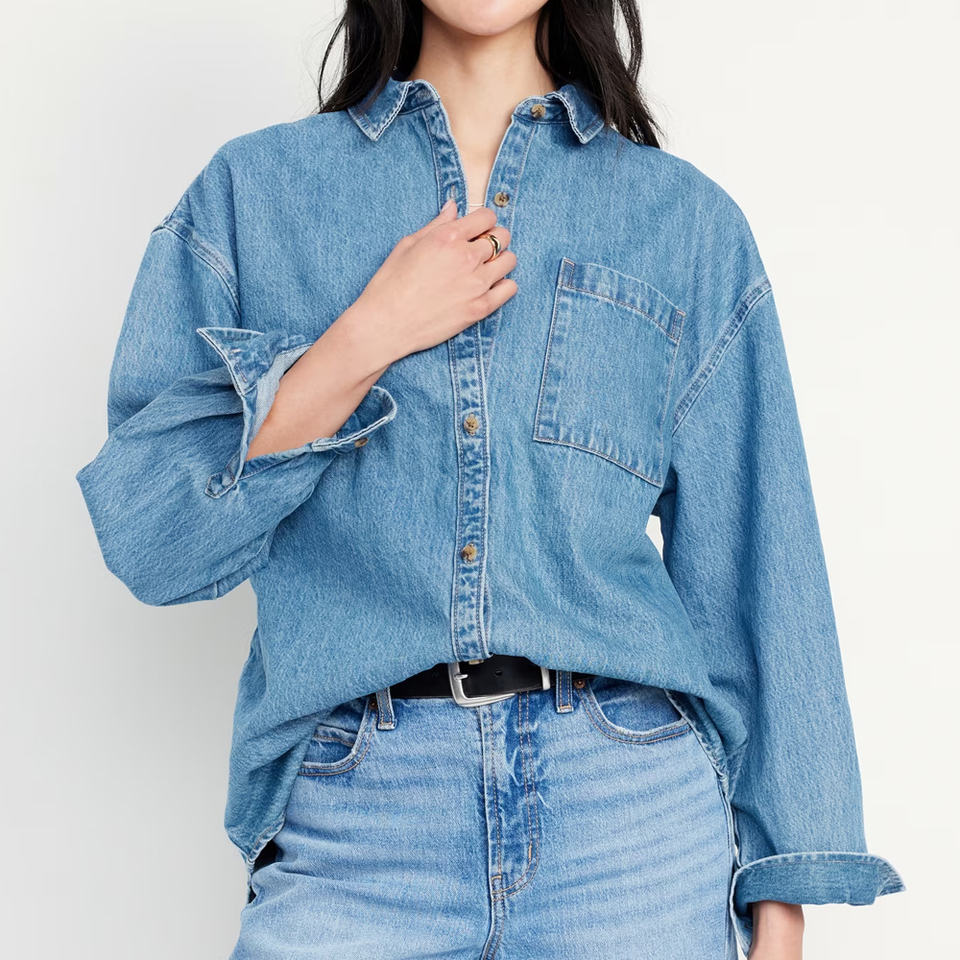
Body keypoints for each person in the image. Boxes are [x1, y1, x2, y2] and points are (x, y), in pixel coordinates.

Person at [74, 1, 904, 957]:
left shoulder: (682, 220)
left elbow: (760, 565)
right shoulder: (254, 194)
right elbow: (153, 541)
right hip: (359, 824)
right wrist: (366, 336)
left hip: (631, 824)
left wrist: (782, 898)